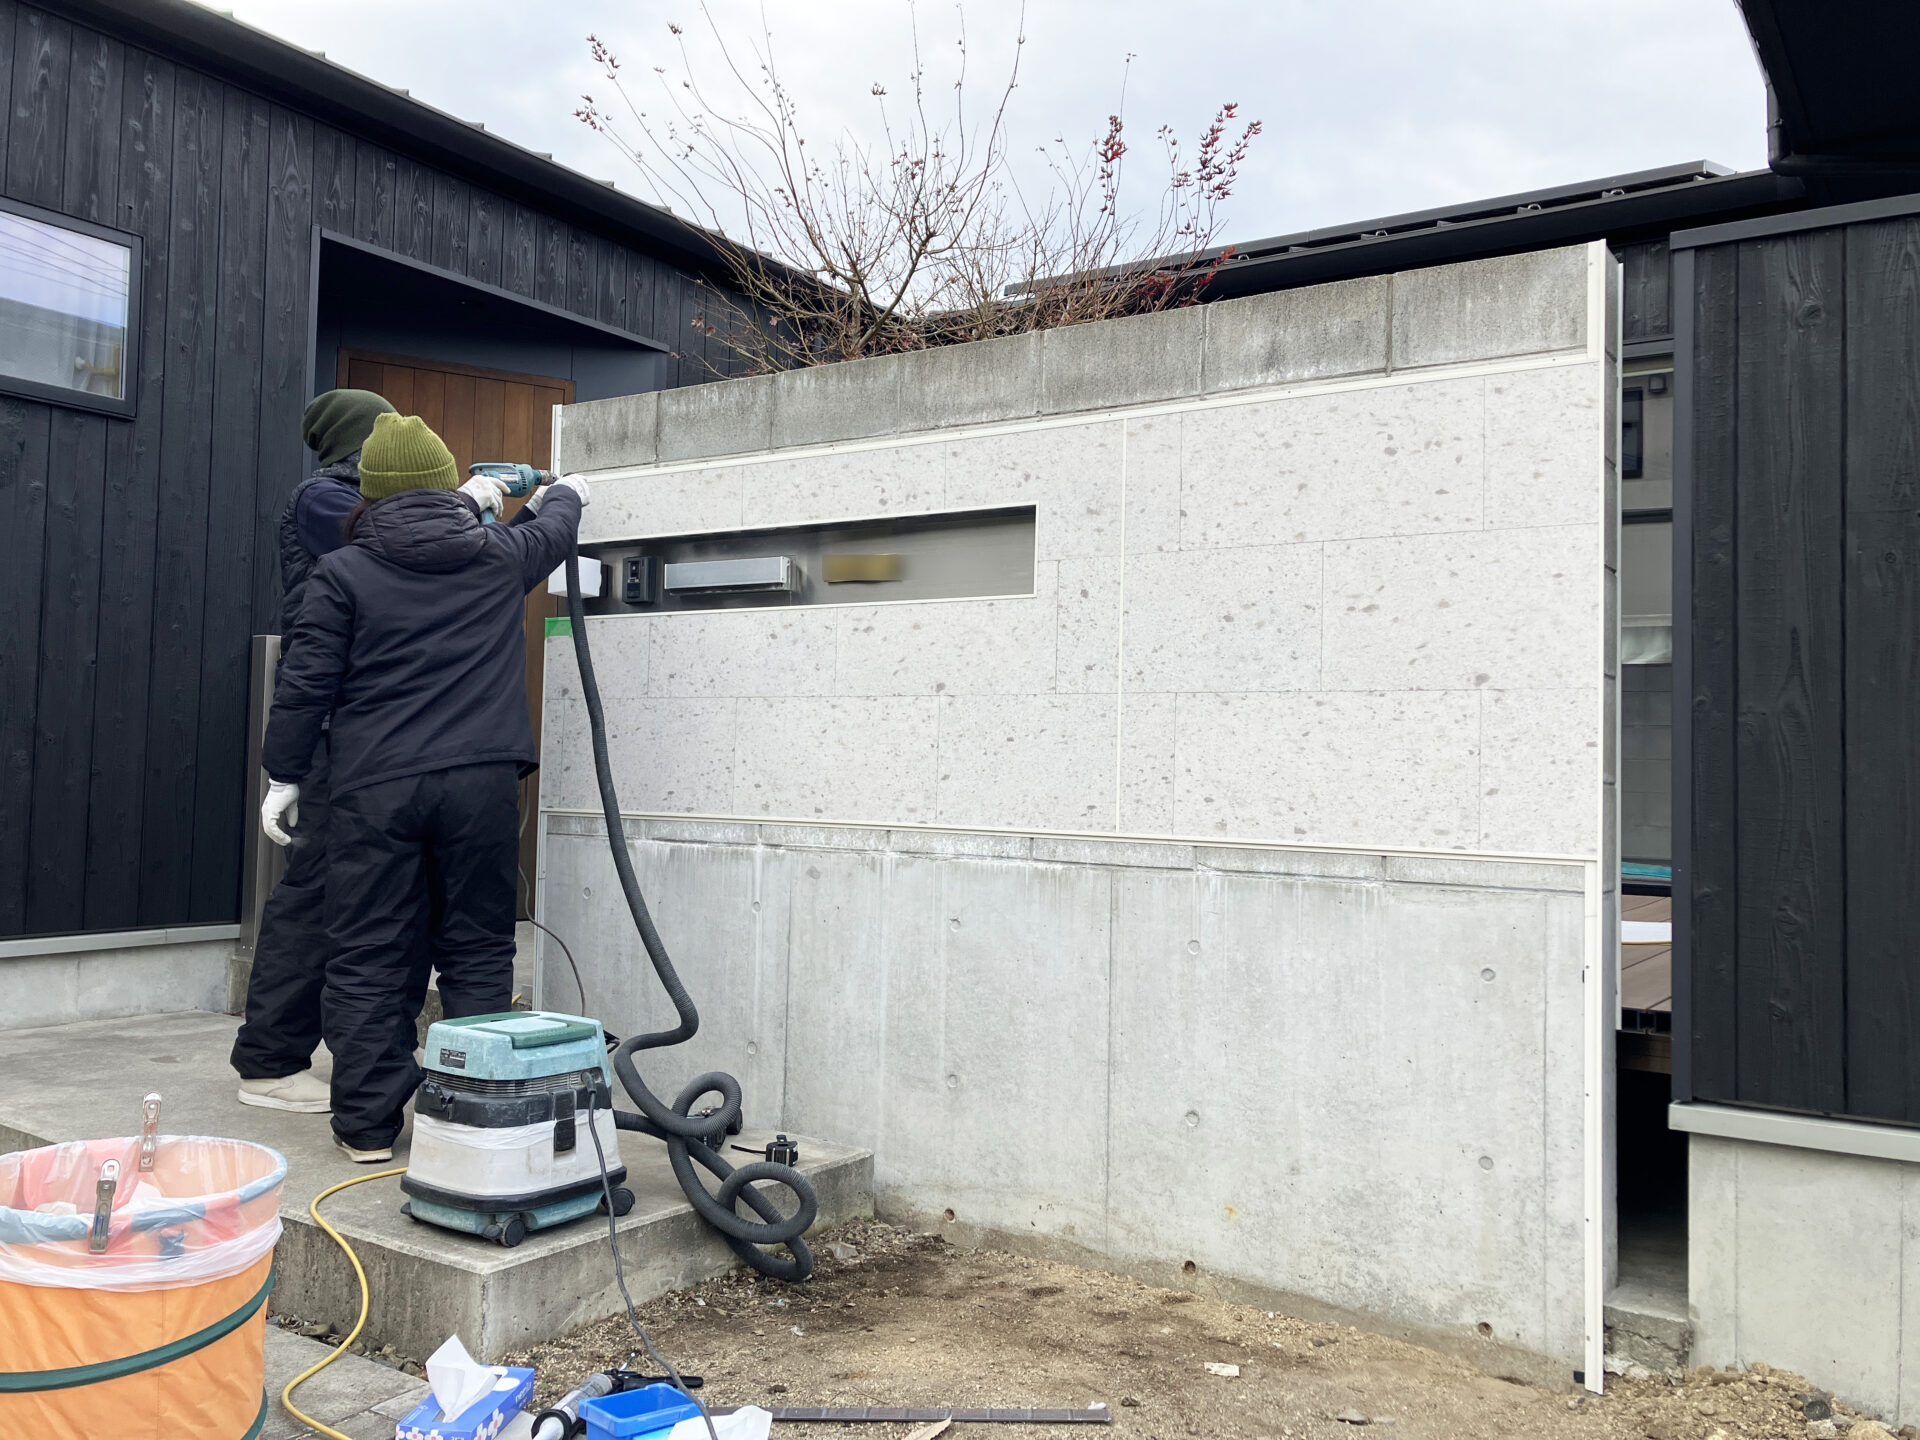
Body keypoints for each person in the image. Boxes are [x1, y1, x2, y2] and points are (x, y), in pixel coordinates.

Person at [259, 411, 586, 1161]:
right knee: (477, 948)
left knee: (370, 950)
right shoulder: (500, 555)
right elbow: (554, 531)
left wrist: (285, 773)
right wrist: (566, 491)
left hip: (376, 788)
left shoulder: (343, 572)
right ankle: (474, 1121)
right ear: (447, 482)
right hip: (481, 785)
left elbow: (305, 684)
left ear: (370, 493)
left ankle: (368, 1128)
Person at [231, 390, 516, 1113]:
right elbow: (392, 541)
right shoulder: (322, 500)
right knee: (321, 897)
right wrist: (469, 503)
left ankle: (373, 1080)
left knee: (382, 912)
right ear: (360, 446)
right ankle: (271, 1061)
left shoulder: (354, 503)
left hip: (374, 743)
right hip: (340, 739)